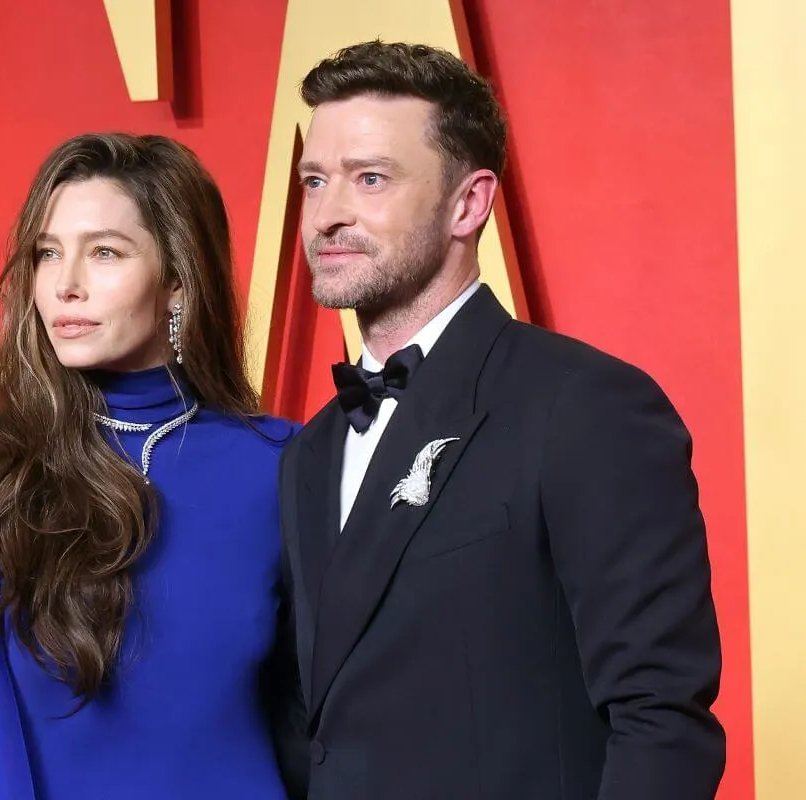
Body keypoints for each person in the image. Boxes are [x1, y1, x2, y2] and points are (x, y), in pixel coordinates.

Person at [278, 40, 725, 799]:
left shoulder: (586, 406)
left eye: (371, 179)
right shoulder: (311, 451)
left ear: (469, 203)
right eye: (315, 181)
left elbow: (661, 720)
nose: (328, 214)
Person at [0, 133, 307, 799]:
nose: (65, 284)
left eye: (104, 252)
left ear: (176, 282)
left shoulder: (287, 466)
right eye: (47, 253)